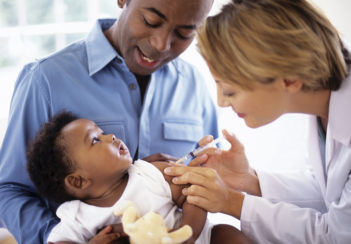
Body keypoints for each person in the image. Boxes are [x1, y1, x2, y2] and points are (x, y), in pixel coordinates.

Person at [0, 0, 220, 243]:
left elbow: (210, 179)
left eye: (184, 33)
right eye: (151, 21)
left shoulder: (193, 84)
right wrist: (72, 236)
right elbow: (8, 190)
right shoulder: (45, 80)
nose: (161, 44)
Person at [164, 0, 351, 243]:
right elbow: (329, 194)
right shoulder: (325, 108)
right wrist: (248, 180)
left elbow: (338, 235)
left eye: (230, 92)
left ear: (290, 79)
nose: (221, 102)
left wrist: (231, 202)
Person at [26, 111, 252, 244]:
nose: (111, 136)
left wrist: (186, 233)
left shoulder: (148, 173)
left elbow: (193, 194)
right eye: (95, 140)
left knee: (227, 234)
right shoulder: (77, 216)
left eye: (102, 132)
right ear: (78, 181)